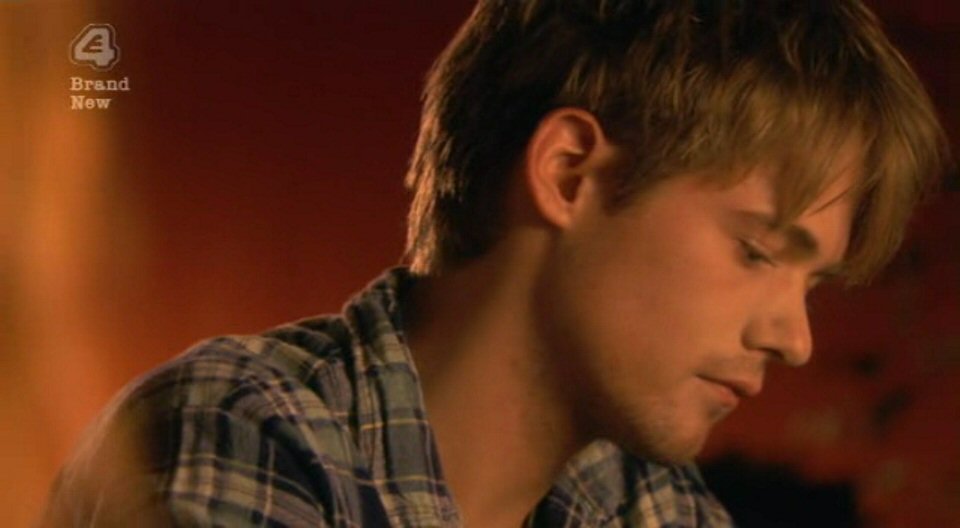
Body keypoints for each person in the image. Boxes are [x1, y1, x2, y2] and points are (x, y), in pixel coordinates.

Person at [43, 1, 947, 526]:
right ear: (569, 173)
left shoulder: (646, 504)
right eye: (756, 250)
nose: (794, 339)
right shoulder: (243, 430)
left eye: (813, 284)